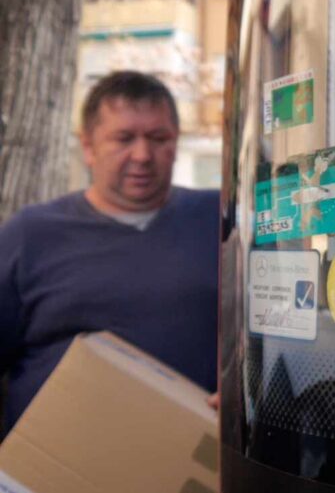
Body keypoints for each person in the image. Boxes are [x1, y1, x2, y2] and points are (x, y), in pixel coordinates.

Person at [0, 71, 218, 435]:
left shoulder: (222, 220)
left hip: (189, 467)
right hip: (52, 470)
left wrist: (246, 394)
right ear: (88, 146)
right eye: (123, 138)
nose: (142, 155)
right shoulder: (30, 234)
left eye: (158, 138)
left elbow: (272, 336)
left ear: (176, 143)